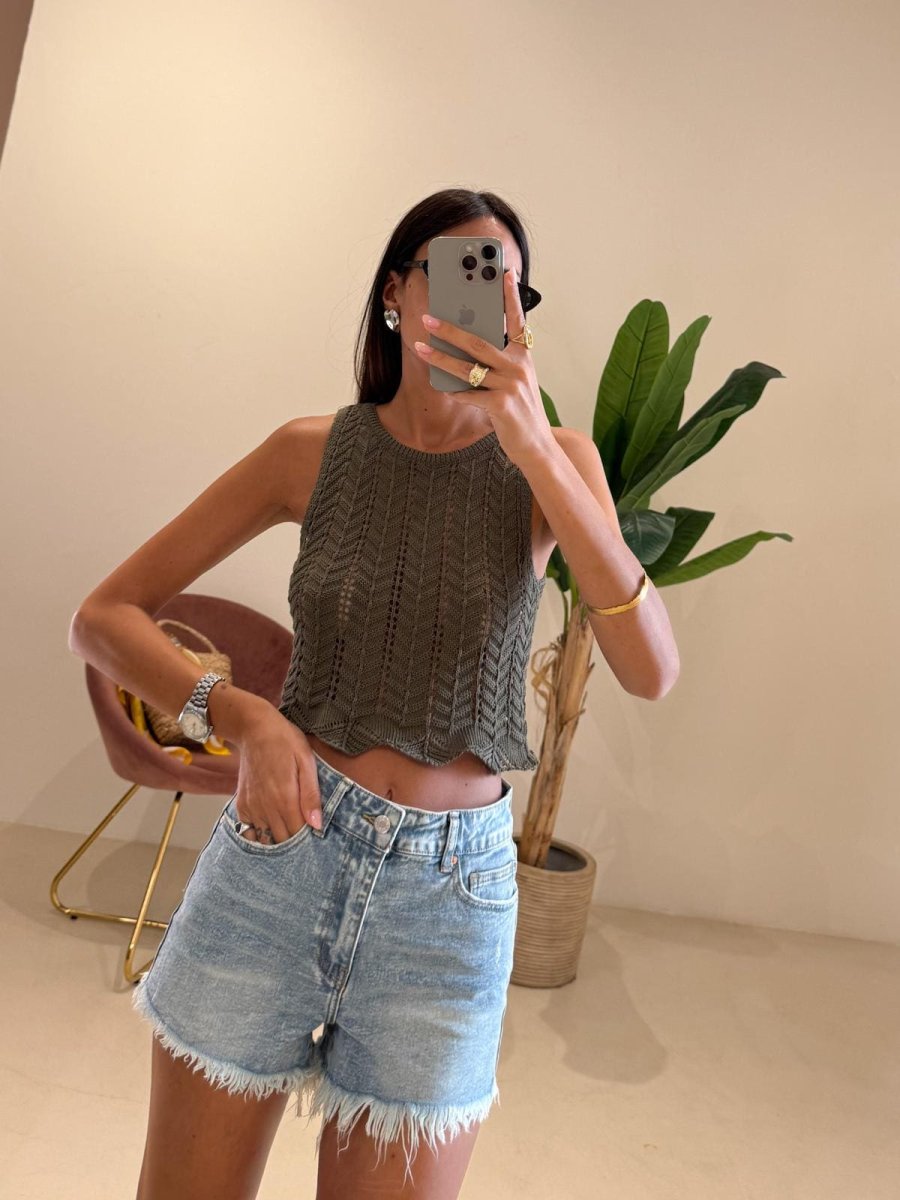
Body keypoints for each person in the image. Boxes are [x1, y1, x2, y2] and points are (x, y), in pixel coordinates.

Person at [68, 188, 665, 1200]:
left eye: (509, 288)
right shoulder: (309, 452)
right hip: (278, 863)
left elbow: (651, 669)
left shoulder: (557, 464)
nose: (488, 302)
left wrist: (533, 448)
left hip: (450, 904)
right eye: (463, 272)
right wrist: (241, 717)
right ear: (398, 291)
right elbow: (105, 616)